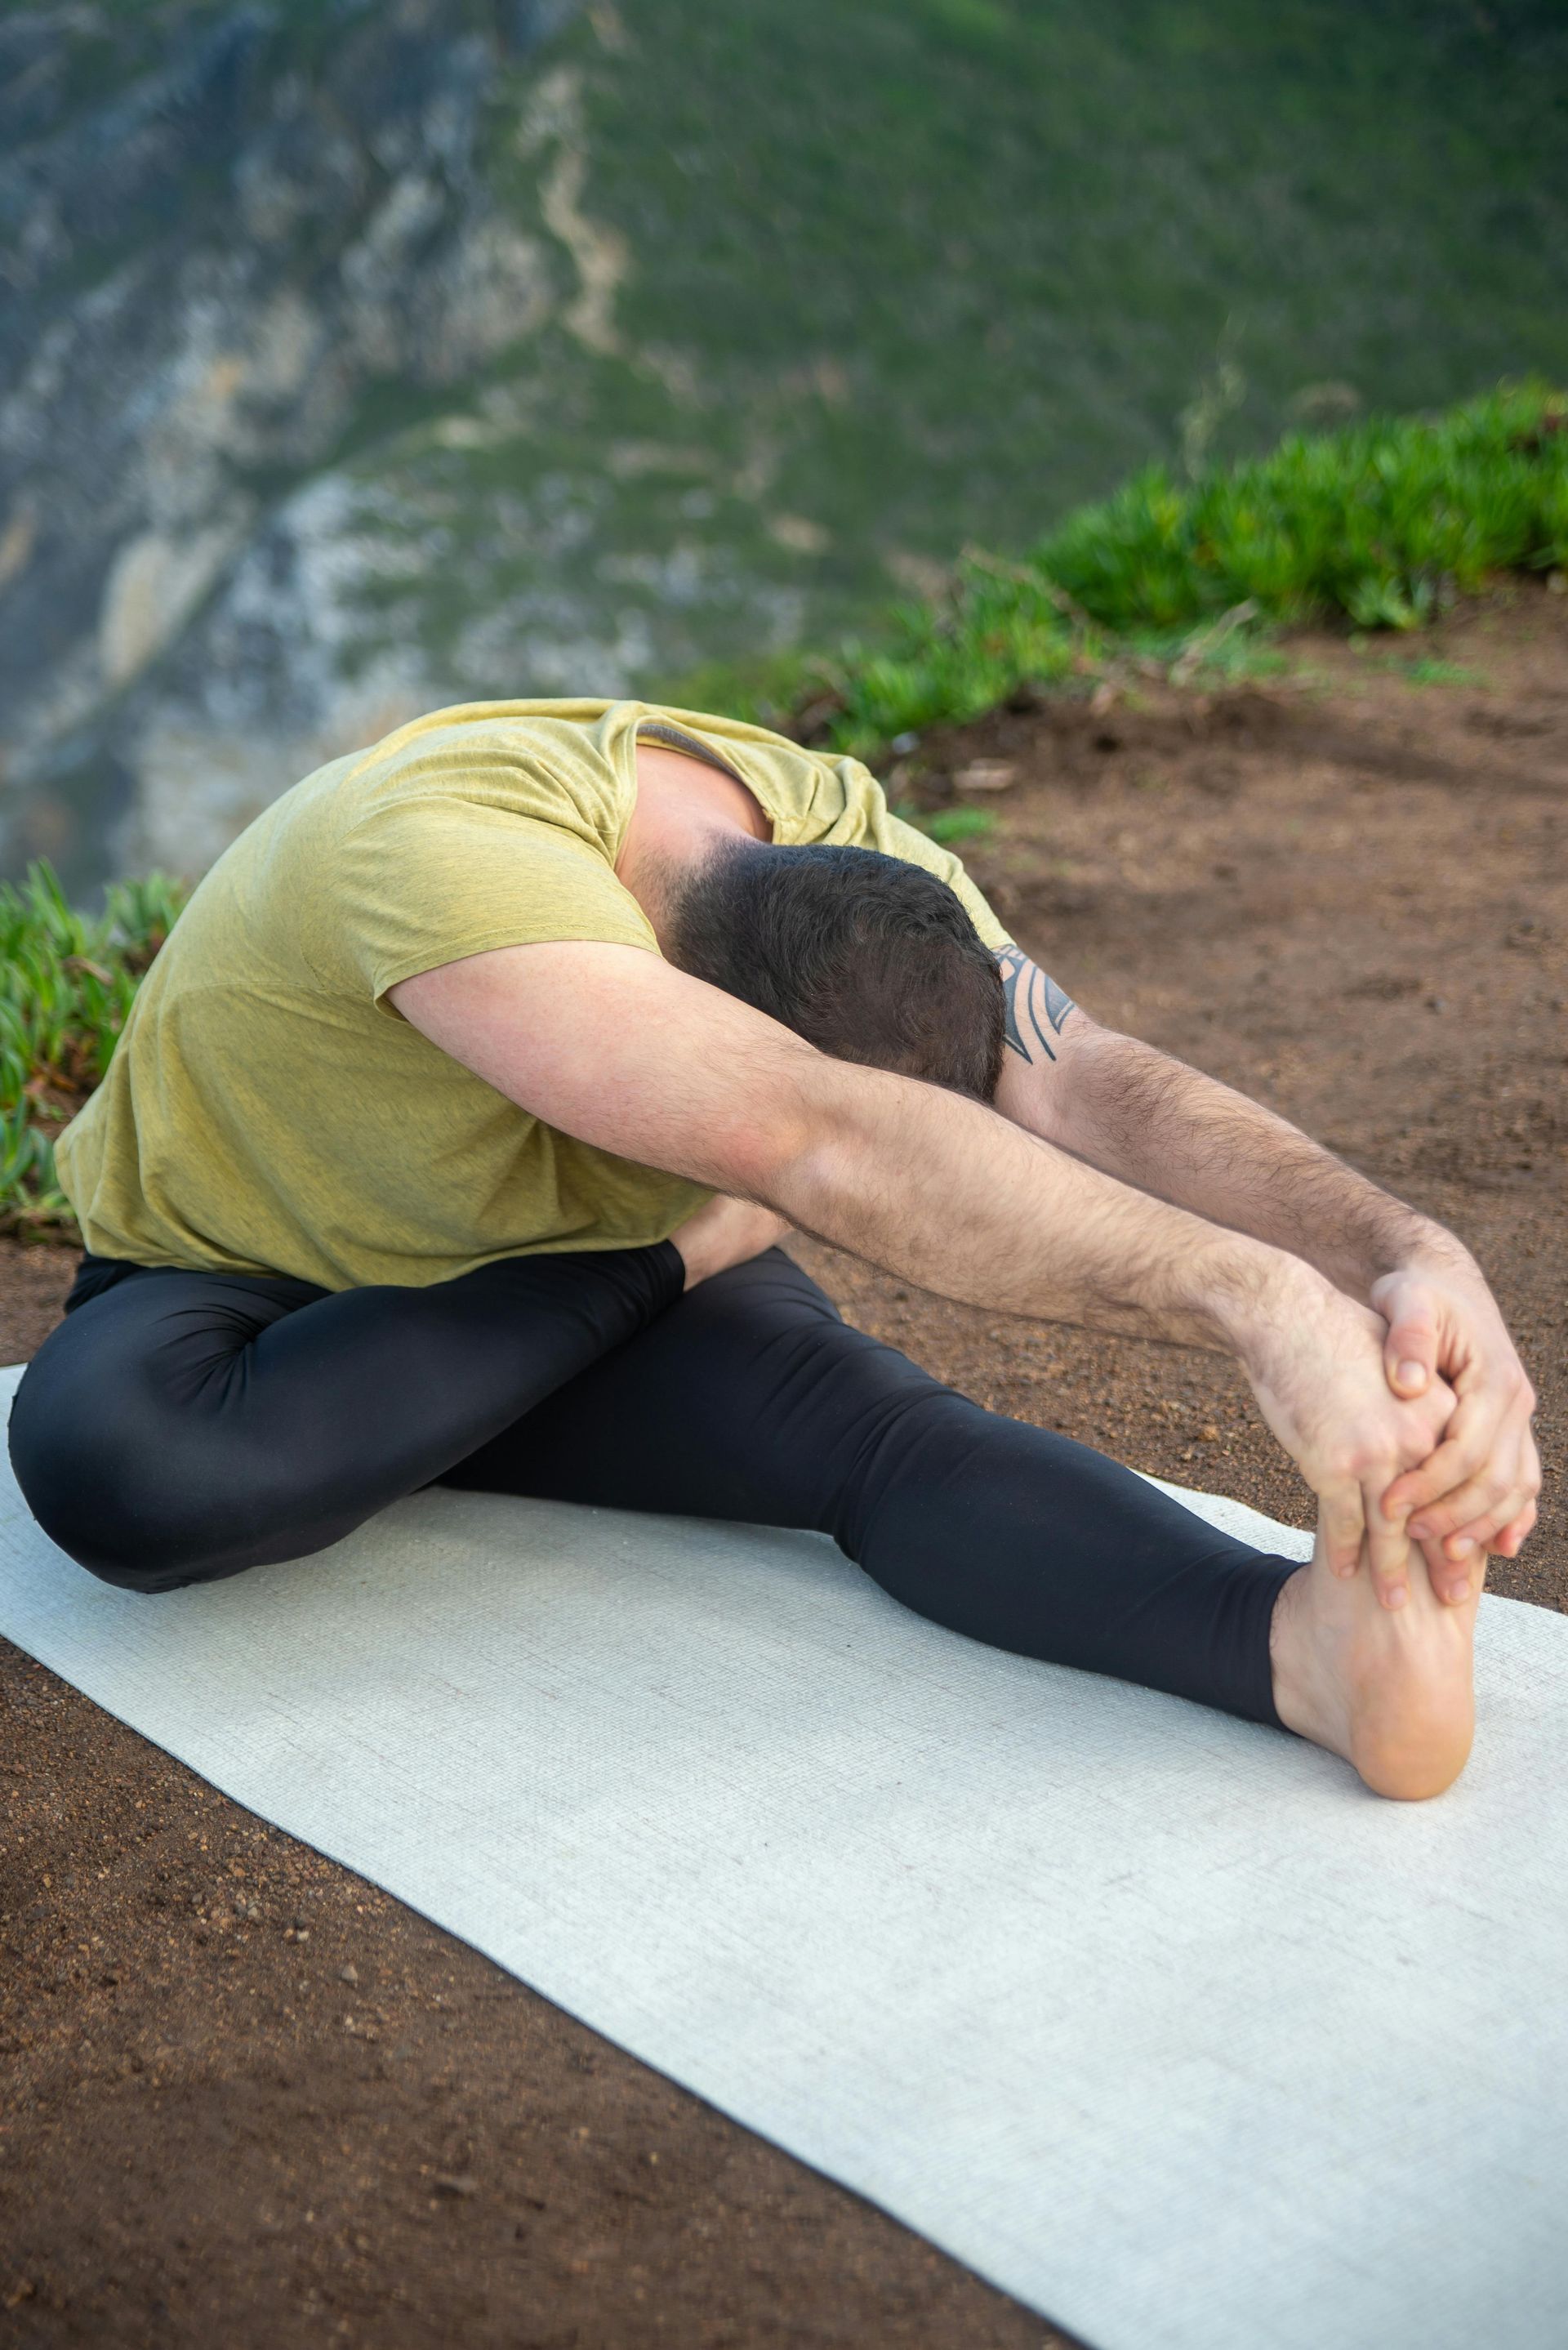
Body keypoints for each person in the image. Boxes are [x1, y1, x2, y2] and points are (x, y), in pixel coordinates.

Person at [7, 699, 1539, 1801]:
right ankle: (683, 1241)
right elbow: (822, 1142)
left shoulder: (846, 841)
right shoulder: (449, 856)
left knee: (877, 1449)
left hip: (593, 1277)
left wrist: (1394, 1251)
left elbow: (1077, 1072)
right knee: (115, 1465)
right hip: (251, 1296)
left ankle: (1304, 1645)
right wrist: (1257, 1304)